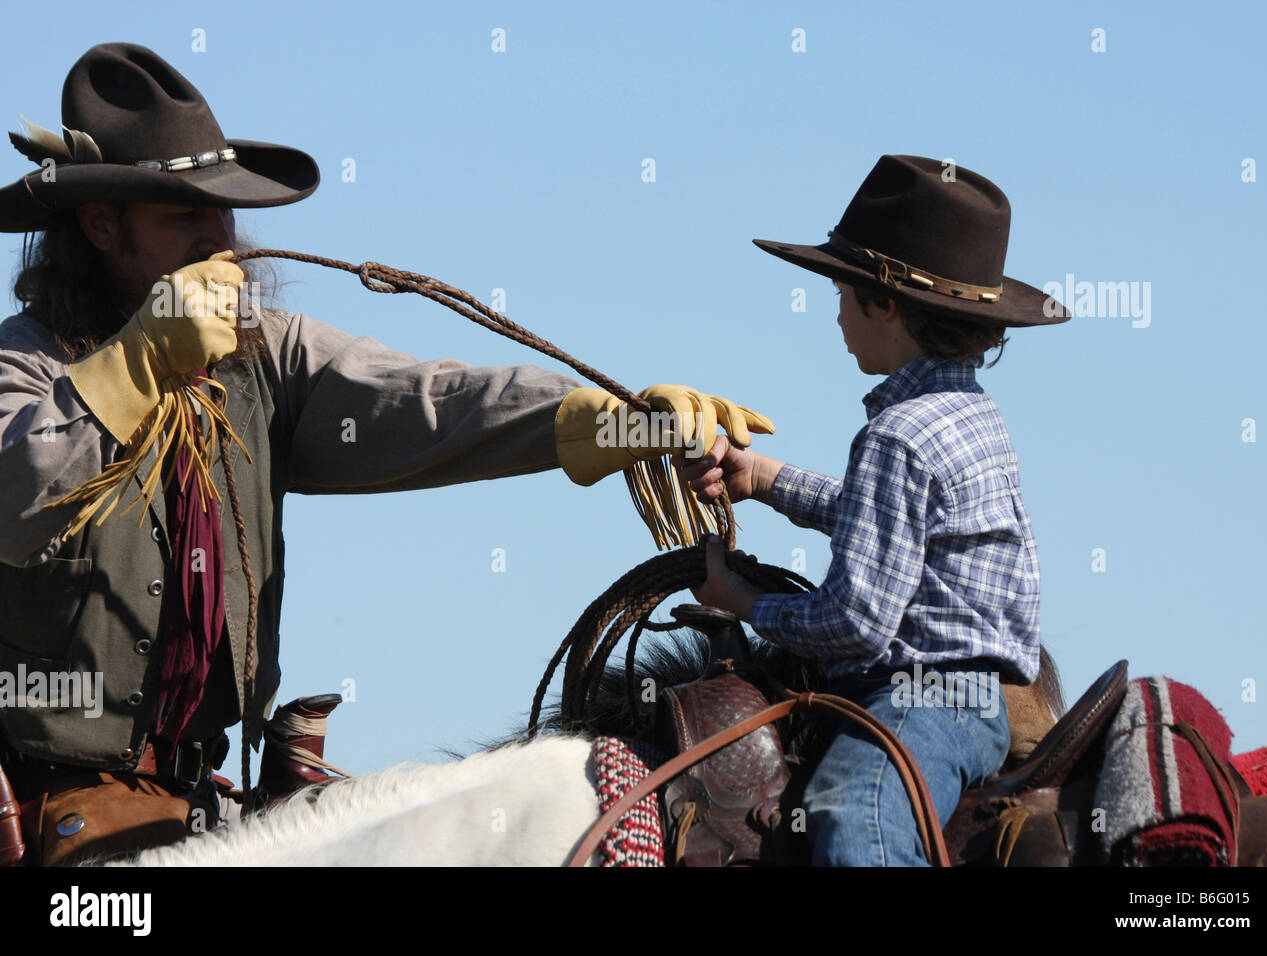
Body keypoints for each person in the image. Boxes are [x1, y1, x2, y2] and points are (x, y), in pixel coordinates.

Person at [0, 42, 769, 865]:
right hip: (58, 804)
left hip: (207, 799)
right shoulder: (28, 368)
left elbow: (428, 400)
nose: (220, 238)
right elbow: (15, 503)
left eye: (222, 212)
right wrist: (135, 365)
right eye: (184, 215)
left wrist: (611, 423)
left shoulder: (267, 361)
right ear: (102, 224)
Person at [675, 154, 1070, 866]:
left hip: (927, 701)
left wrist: (741, 600)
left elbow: (856, 623)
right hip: (966, 696)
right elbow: (885, 525)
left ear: (884, 303)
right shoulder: (968, 414)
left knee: (853, 816)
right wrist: (762, 477)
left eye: (840, 291)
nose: (835, 312)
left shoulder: (899, 435)